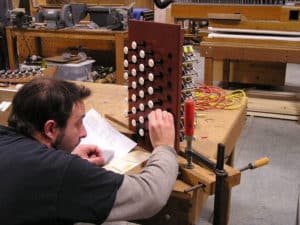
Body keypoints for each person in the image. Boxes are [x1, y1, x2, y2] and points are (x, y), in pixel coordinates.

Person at [0, 77, 178, 225]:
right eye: (78, 123)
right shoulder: (57, 171)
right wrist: (164, 146)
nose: (84, 133)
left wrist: (66, 160)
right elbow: (149, 196)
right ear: (50, 129)